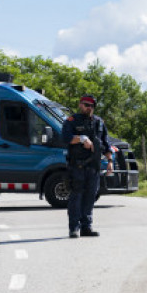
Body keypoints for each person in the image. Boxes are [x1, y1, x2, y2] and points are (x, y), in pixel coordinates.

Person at [62, 94, 113, 238]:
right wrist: (81, 138)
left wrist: (110, 161)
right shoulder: (72, 121)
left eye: (92, 106)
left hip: (94, 166)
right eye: (87, 105)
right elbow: (65, 138)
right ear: (80, 105)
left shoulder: (99, 122)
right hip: (77, 165)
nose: (89, 108)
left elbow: (106, 143)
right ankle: (74, 228)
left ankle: (86, 227)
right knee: (76, 196)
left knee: (90, 197)